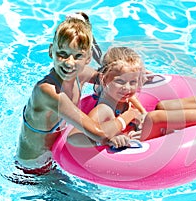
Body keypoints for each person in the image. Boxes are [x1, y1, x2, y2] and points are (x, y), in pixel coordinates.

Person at [16, 12, 142, 175]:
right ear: (51, 51)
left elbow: (112, 80)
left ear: (88, 58)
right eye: (62, 54)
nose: (69, 62)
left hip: (56, 157)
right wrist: (130, 115)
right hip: (33, 169)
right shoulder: (48, 91)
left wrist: (140, 105)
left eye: (77, 56)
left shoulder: (80, 75)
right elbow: (99, 133)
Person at [67, 46, 196, 145]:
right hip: (132, 143)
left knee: (163, 107)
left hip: (137, 130)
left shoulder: (120, 95)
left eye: (133, 82)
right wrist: (110, 138)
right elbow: (74, 138)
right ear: (104, 81)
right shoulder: (102, 109)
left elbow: (130, 102)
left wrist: (140, 113)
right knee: (156, 117)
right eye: (120, 82)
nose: (127, 88)